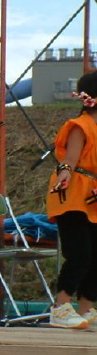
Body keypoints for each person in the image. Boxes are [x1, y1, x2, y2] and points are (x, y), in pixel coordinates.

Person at [45, 71, 97, 330]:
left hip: (94, 197)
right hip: (74, 193)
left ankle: (86, 309)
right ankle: (61, 307)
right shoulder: (81, 125)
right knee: (80, 254)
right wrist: (64, 172)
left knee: (96, 255)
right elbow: (71, 159)